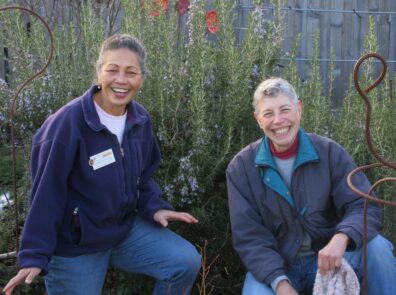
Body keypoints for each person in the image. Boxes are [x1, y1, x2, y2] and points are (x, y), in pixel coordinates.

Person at [2, 34, 201, 295]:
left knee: (185, 262)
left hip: (122, 231)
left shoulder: (139, 119)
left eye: (131, 72)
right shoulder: (67, 124)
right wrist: (34, 254)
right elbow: (46, 192)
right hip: (75, 245)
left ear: (141, 78)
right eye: (112, 70)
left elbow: (144, 176)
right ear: (99, 73)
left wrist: (153, 206)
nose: (121, 80)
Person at [226, 77, 396, 295]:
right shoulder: (241, 168)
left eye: (285, 109)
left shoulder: (329, 152)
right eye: (268, 113)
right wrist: (280, 283)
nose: (278, 120)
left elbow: (363, 204)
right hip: (280, 268)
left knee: (378, 248)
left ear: (299, 109)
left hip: (332, 259)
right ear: (257, 119)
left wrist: (342, 237)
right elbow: (249, 237)